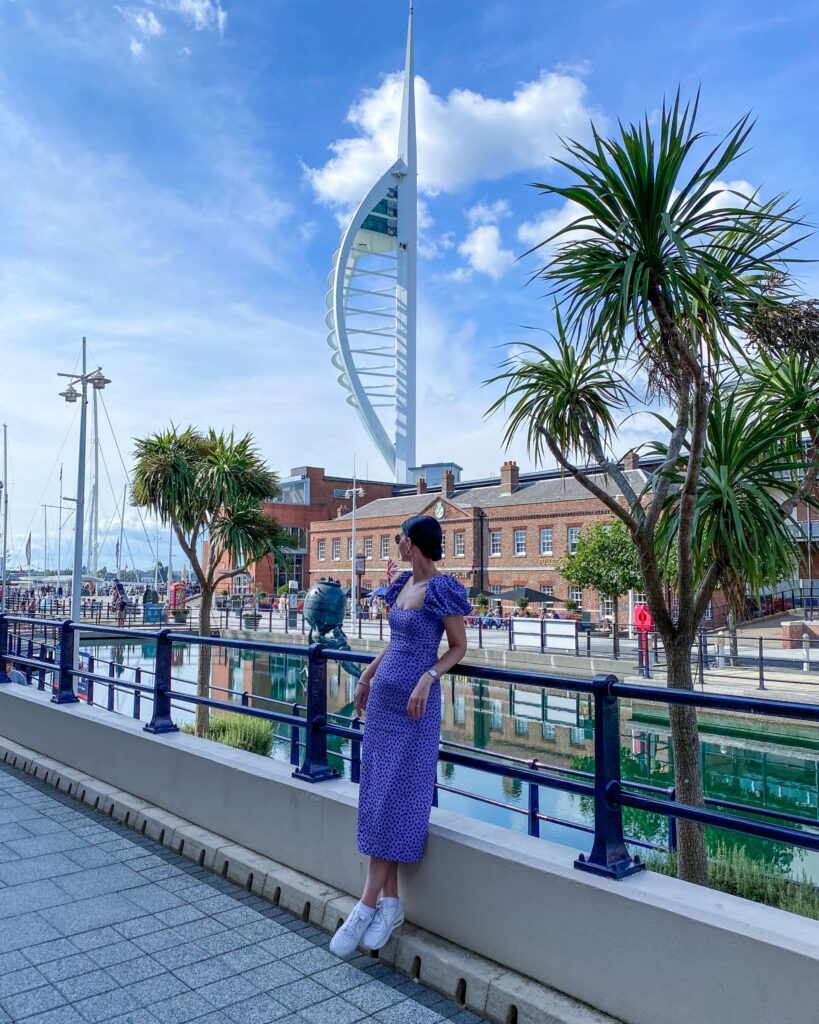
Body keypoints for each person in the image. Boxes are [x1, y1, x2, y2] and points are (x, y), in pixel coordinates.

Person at [330, 514, 470, 958]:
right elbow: (394, 644)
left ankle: (365, 905)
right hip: (384, 706)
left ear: (414, 543)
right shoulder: (401, 585)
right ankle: (390, 905)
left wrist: (428, 678)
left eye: (399, 539)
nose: (395, 544)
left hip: (414, 709)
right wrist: (367, 677)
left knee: (395, 797)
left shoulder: (440, 589)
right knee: (376, 794)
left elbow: (459, 647)